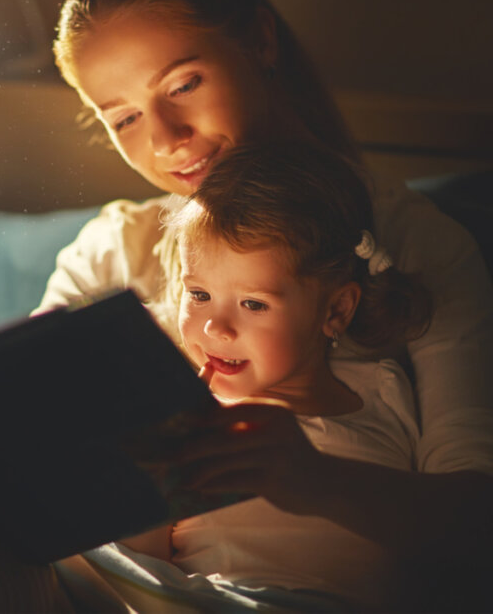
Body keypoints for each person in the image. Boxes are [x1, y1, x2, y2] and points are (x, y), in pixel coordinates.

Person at [0, 0, 493, 611]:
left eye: (183, 83)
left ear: (258, 39)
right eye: (123, 118)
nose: (164, 141)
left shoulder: (412, 247)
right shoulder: (110, 251)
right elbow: (33, 440)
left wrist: (310, 479)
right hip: (85, 583)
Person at [71, 140, 432, 610]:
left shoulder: (384, 392)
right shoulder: (189, 416)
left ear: (337, 309)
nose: (214, 327)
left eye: (254, 304)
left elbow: (429, 549)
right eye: (197, 294)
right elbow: (141, 571)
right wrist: (155, 470)